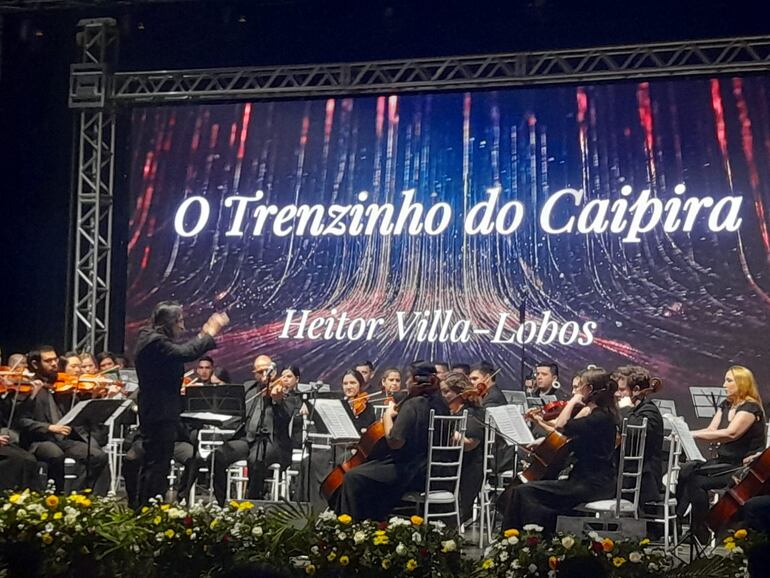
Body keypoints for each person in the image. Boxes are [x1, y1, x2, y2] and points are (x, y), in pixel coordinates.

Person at [502, 367, 619, 534]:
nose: (576, 391)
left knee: (522, 492)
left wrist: (572, 402)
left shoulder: (599, 418)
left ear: (589, 390)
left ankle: (511, 542)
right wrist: (544, 442)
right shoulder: (599, 415)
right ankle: (533, 541)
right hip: (587, 481)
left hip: (590, 484)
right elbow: (574, 439)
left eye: (579, 387)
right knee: (531, 497)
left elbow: (561, 425)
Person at [134, 302, 228, 504]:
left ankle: (147, 508)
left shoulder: (151, 338)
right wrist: (208, 333)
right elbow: (184, 353)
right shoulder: (154, 342)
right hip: (158, 412)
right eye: (180, 322)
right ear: (169, 323)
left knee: (157, 464)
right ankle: (148, 511)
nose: (183, 328)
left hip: (159, 411)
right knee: (156, 466)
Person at [332, 362, 448, 521]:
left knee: (353, 476)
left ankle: (352, 526)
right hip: (432, 469)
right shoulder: (442, 404)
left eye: (406, 378)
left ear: (414, 380)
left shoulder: (413, 405)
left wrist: (387, 417)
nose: (405, 383)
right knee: (365, 470)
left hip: (409, 470)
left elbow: (395, 441)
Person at [676, 365, 766, 543]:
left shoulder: (750, 408)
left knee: (697, 481)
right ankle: (679, 522)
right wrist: (684, 432)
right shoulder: (726, 404)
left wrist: (689, 434)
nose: (724, 384)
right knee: (686, 470)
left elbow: (731, 433)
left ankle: (701, 528)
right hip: (723, 461)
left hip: (741, 466)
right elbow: (711, 429)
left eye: (729, 380)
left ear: (742, 383)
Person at [212, 354, 301, 505]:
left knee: (256, 460)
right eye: (260, 372)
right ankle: (221, 502)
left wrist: (277, 400)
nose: (264, 375)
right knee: (218, 455)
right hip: (247, 439)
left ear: (274, 372)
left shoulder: (285, 392)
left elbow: (286, 415)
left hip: (272, 441)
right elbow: (234, 409)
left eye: (267, 371)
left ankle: (252, 502)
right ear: (254, 373)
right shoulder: (249, 387)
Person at [18, 346, 109, 493]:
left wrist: (93, 396)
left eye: (55, 359)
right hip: (39, 439)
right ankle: (57, 495)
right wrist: (49, 427)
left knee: (97, 455)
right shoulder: (27, 387)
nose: (54, 364)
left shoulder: (60, 385)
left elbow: (75, 412)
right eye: (48, 361)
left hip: (62, 438)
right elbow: (21, 421)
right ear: (35, 365)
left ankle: (82, 497)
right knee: (55, 454)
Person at [613, 365, 664, 509]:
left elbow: (634, 431)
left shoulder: (650, 411)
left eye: (622, 390)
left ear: (636, 390)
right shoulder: (631, 411)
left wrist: (626, 410)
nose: (617, 394)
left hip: (641, 480)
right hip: (625, 475)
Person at [440, 370, 485, 524]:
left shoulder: (472, 413)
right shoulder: (447, 412)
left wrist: (445, 430)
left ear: (460, 393)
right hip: (447, 465)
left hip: (467, 468)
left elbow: (469, 444)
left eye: (446, 392)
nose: (443, 396)